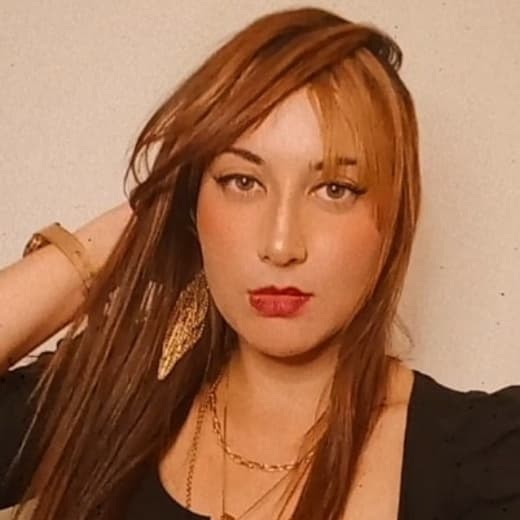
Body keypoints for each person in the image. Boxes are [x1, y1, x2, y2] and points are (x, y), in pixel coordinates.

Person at [0, 6, 519, 520]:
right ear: (191, 206)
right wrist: (123, 239)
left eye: (335, 189)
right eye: (242, 182)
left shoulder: (487, 460)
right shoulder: (108, 397)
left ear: (393, 217)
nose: (280, 244)